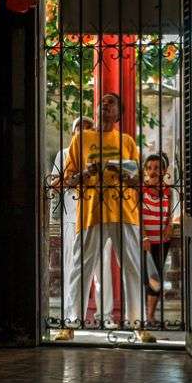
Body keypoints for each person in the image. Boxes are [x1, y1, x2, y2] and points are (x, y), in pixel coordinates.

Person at [55, 93, 142, 341]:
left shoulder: (126, 141)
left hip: (124, 210)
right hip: (91, 210)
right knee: (80, 267)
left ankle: (138, 324)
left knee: (133, 267)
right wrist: (86, 172)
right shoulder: (81, 139)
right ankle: (69, 324)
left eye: (111, 102)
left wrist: (124, 173)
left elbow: (138, 180)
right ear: (96, 111)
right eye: (102, 102)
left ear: (119, 114)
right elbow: (67, 180)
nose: (105, 104)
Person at [49, 116, 95, 319]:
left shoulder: (98, 153)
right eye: (80, 128)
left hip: (95, 215)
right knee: (71, 264)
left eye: (88, 128)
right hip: (72, 214)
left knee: (101, 268)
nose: (83, 132)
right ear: (74, 132)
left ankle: (107, 316)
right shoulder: (64, 154)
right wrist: (74, 178)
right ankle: (71, 315)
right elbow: (55, 184)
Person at [140, 153, 173, 330]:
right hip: (146, 241)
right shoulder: (141, 189)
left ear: (164, 171)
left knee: (157, 276)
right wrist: (144, 236)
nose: (153, 171)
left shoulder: (168, 190)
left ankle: (151, 317)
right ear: (145, 170)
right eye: (150, 168)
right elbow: (138, 215)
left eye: (157, 168)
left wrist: (169, 226)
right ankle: (143, 317)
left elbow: (170, 214)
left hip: (162, 240)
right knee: (147, 278)